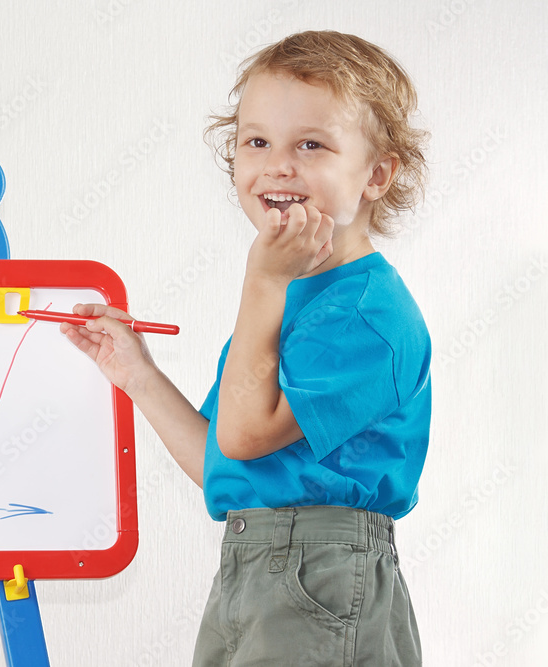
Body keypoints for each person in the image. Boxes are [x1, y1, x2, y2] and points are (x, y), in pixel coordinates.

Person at [62, 30, 430, 665]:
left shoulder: (364, 314)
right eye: (256, 141)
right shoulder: (295, 300)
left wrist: (263, 283)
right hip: (256, 561)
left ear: (376, 174)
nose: (278, 165)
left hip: (318, 571)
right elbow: (224, 462)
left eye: (310, 144)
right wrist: (137, 373)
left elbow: (243, 436)